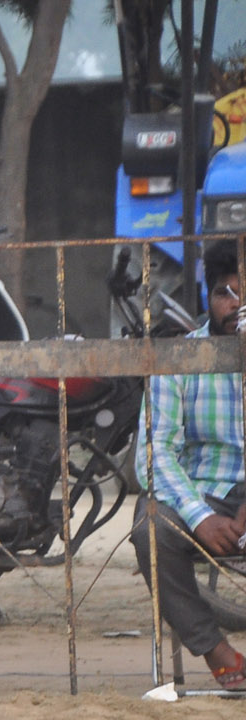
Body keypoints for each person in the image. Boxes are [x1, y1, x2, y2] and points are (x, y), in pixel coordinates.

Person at [130, 242, 246, 690]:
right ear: (208, 298)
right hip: (203, 492)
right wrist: (199, 516)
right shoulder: (178, 359)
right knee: (151, 528)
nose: (236, 305)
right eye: (224, 293)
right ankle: (216, 651)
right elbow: (154, 452)